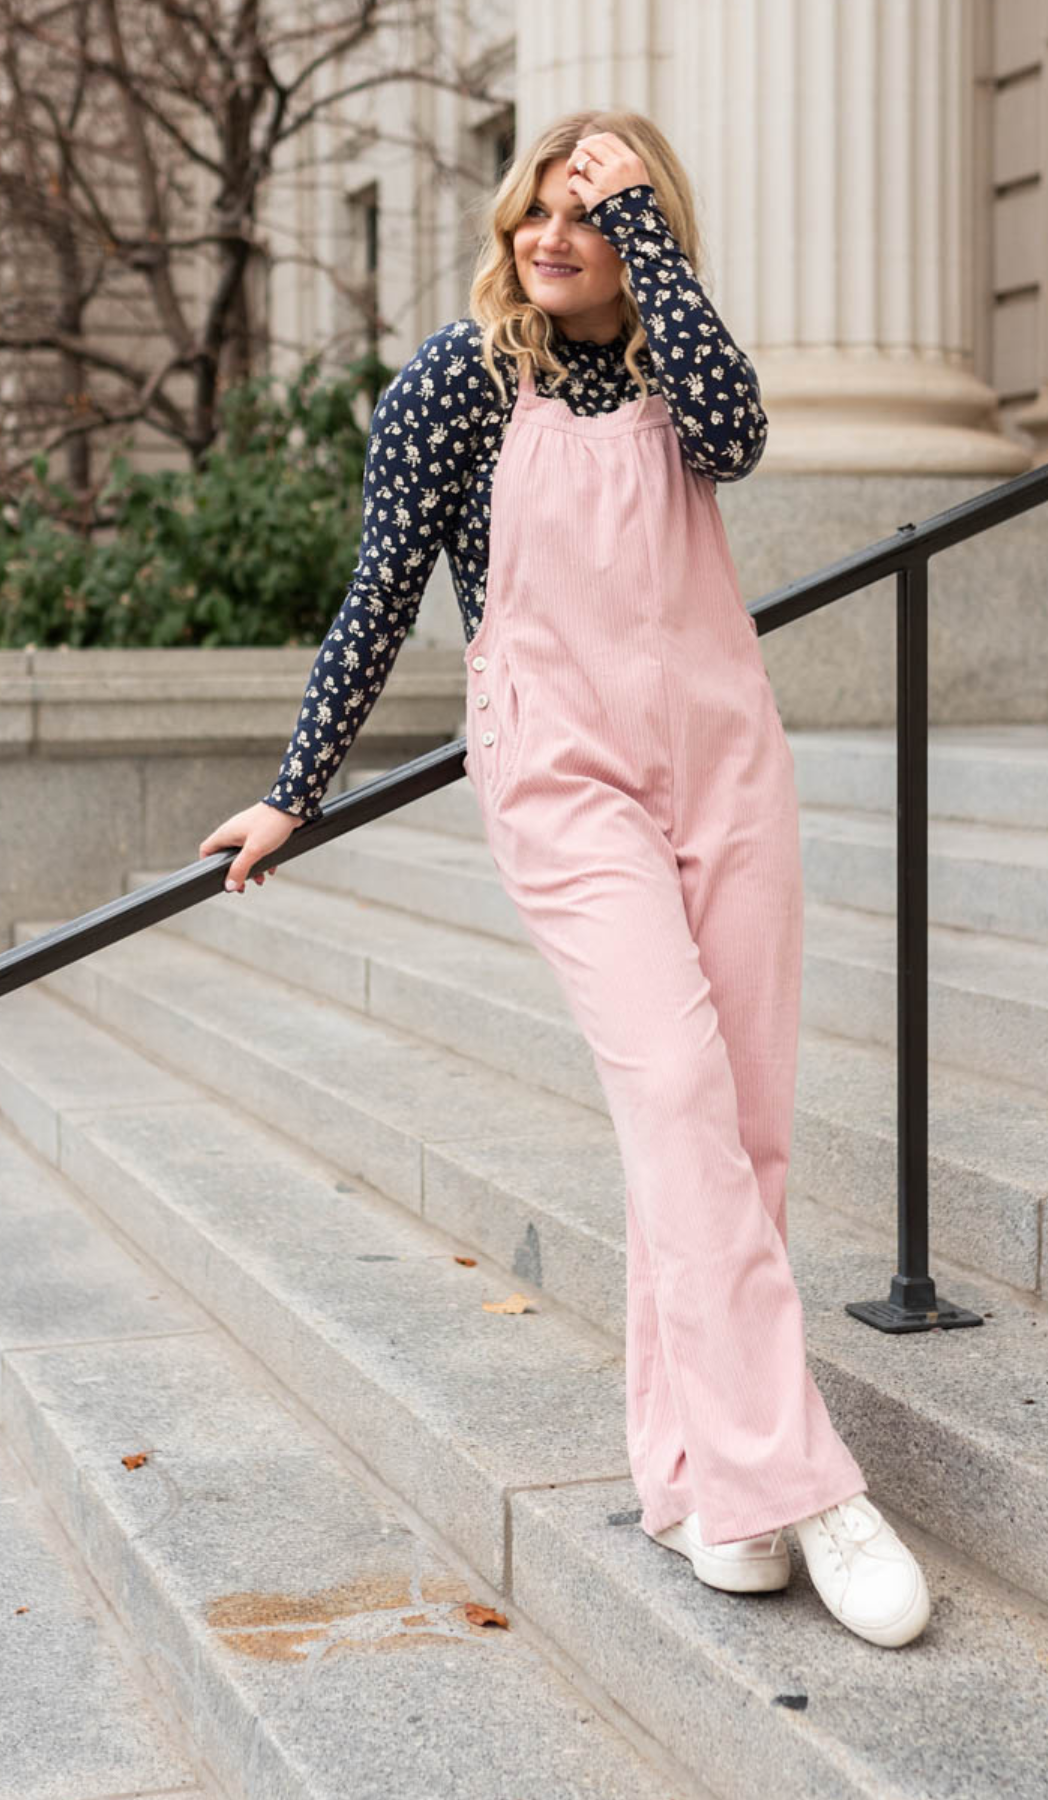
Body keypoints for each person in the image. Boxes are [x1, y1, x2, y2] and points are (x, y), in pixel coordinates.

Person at [198, 108, 930, 1650]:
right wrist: (291, 791)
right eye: (540, 203)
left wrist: (650, 234)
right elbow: (382, 593)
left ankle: (692, 1480)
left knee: (741, 1127)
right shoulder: (459, 385)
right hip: (563, 778)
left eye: (595, 210)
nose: (555, 232)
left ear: (646, 231)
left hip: (727, 763)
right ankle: (804, 1488)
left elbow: (735, 435)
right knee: (671, 1091)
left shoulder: (678, 365)